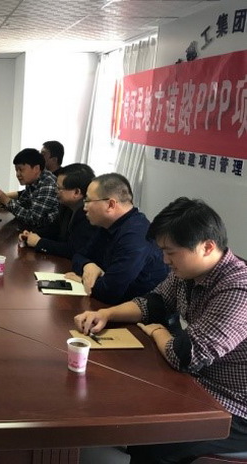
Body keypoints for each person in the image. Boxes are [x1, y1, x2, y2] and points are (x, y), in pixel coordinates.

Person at [74, 197, 247, 463]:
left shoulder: (237, 290)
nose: (165, 260)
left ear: (207, 247)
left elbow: (184, 356)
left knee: (158, 439)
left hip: (233, 406)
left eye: (171, 252)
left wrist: (157, 332)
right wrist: (106, 314)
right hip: (198, 382)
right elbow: (154, 303)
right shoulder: (188, 273)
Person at [66, 173, 167, 304]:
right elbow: (78, 255)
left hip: (139, 313)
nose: (84, 207)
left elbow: (109, 292)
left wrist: (82, 280)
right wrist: (88, 265)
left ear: (111, 205)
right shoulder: (108, 224)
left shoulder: (136, 236)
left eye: (88, 201)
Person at [19, 163, 98, 258]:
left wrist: (39, 242)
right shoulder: (65, 206)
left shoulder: (89, 215)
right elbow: (54, 230)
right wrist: (31, 234)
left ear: (76, 192)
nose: (55, 191)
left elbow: (74, 250)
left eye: (59, 188)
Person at [0, 148, 59, 233]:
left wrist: (6, 200)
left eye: (21, 170)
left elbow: (33, 219)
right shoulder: (33, 181)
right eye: (16, 170)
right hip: (31, 230)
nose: (17, 174)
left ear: (36, 168)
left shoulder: (48, 185)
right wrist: (1, 199)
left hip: (44, 234)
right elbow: (24, 204)